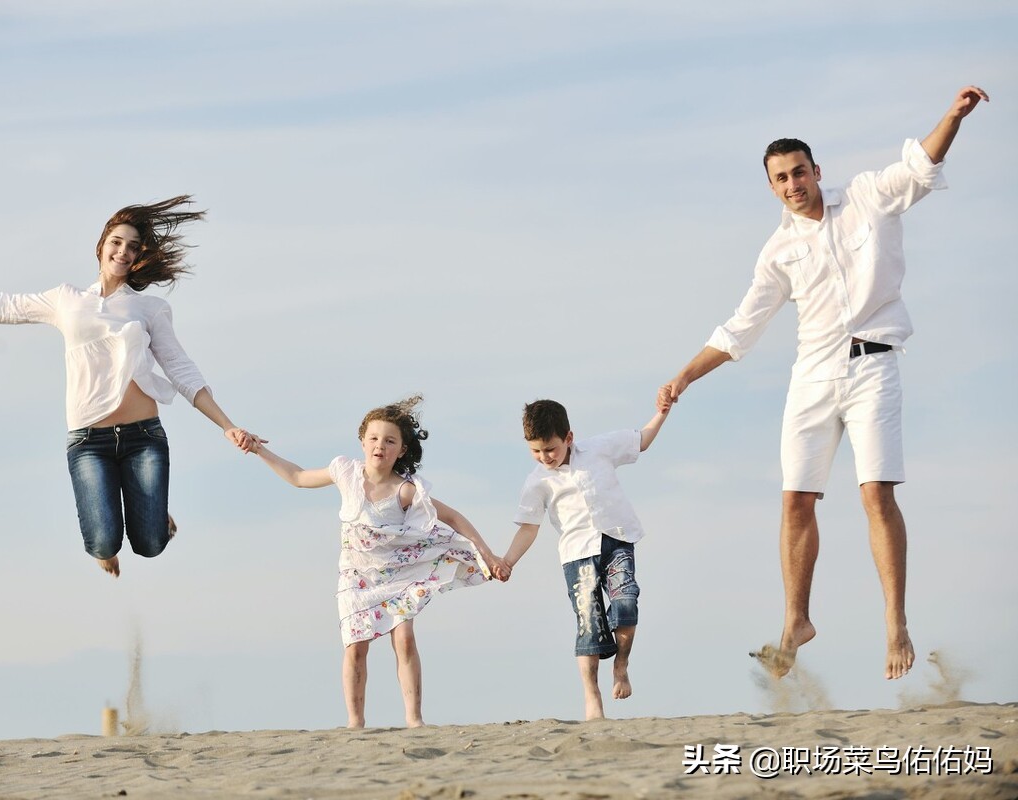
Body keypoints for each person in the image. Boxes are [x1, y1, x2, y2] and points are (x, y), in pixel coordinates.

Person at [657, 86, 990, 681]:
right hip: (812, 375)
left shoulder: (865, 196)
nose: (792, 184)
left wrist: (952, 118)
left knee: (875, 495)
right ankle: (796, 620)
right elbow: (742, 328)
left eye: (799, 172)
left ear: (816, 171)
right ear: (771, 186)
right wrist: (685, 373)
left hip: (873, 365)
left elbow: (920, 168)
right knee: (794, 500)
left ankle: (895, 623)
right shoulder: (778, 251)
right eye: (780, 178)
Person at [0, 195, 260, 579]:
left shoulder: (149, 309)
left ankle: (150, 512)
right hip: (89, 441)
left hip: (143, 437)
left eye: (133, 247)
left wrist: (228, 425)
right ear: (101, 245)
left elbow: (183, 372)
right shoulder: (66, 299)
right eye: (117, 242)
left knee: (151, 545)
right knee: (103, 543)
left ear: (138, 258)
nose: (123, 251)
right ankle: (118, 529)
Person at [250, 395, 502, 728]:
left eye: (389, 440)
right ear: (362, 441)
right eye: (373, 438)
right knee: (356, 646)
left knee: (404, 638)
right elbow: (297, 476)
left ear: (401, 450)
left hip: (397, 572)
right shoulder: (345, 472)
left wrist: (487, 553)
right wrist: (258, 449)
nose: (379, 445)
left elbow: (453, 517)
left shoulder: (406, 490)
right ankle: (355, 722)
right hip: (355, 575)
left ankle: (414, 719)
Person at [495, 399, 668, 720]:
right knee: (589, 623)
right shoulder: (537, 481)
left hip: (618, 539)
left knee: (627, 602)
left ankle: (621, 665)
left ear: (569, 438)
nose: (544, 457)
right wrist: (508, 560)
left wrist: (663, 411)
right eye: (536, 451)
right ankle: (593, 700)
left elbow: (641, 440)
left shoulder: (599, 449)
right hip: (577, 554)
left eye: (550, 449)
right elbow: (528, 529)